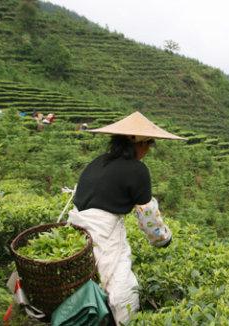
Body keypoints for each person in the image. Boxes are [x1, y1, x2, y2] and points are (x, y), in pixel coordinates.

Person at [67, 111, 185, 324]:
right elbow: (147, 214)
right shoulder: (137, 170)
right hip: (102, 233)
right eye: (148, 144)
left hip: (75, 228)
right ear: (137, 143)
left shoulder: (98, 162)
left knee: (82, 282)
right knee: (120, 288)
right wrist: (163, 239)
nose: (148, 150)